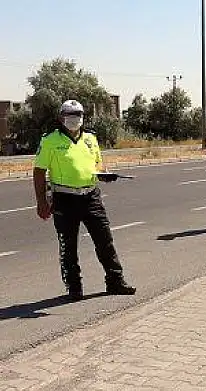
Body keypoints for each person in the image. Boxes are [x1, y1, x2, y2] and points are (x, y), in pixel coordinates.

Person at [33, 100, 136, 301]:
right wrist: (41, 202)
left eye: (77, 115)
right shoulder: (50, 140)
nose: (74, 119)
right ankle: (74, 286)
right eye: (69, 115)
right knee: (68, 246)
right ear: (60, 118)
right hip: (64, 199)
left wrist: (105, 174)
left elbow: (97, 165)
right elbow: (39, 172)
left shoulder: (90, 138)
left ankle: (115, 281)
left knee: (105, 240)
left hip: (91, 197)